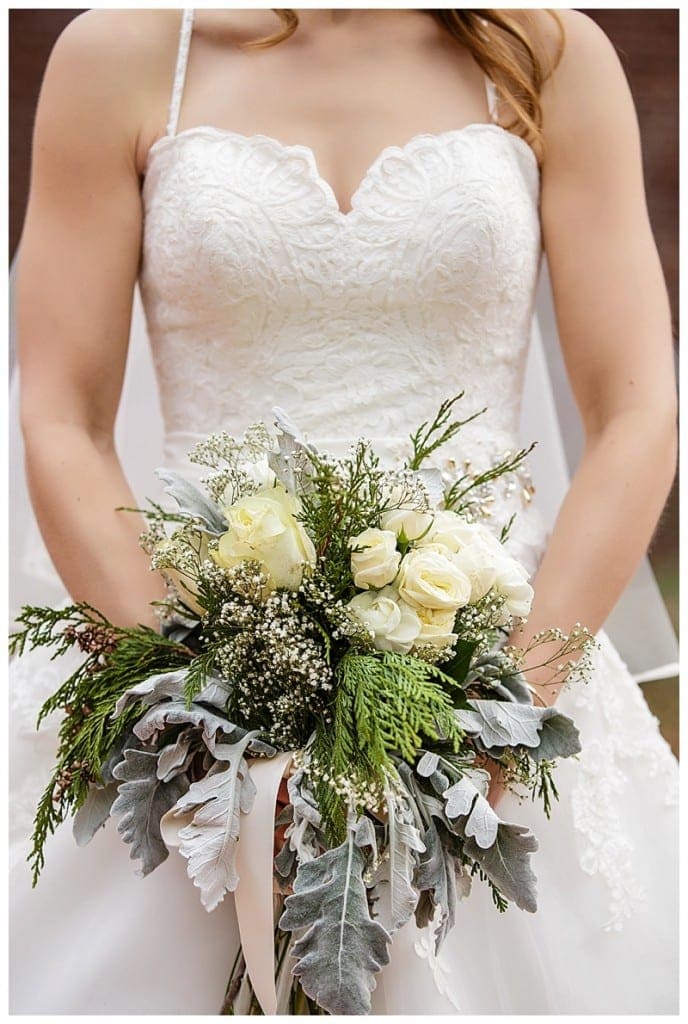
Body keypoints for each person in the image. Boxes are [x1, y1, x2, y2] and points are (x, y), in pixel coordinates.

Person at [9, 7, 678, 1014]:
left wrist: (504, 717)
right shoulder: (122, 56)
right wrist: (205, 711)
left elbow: (636, 410)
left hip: (500, 667)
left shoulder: (546, 53)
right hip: (189, 673)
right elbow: (61, 414)